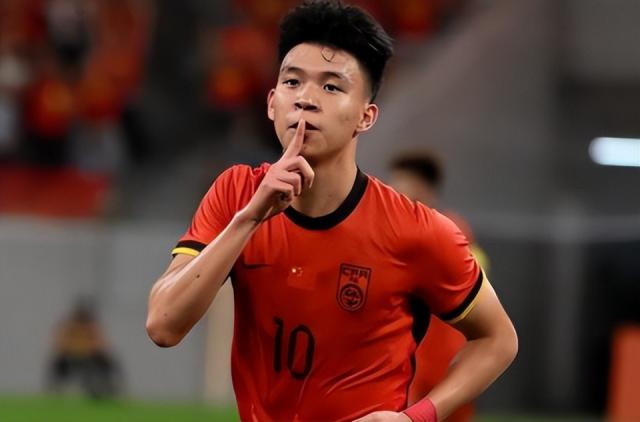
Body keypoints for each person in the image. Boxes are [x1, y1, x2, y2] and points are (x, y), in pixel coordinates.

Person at [146, 2, 518, 421]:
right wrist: (249, 218)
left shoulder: (417, 230)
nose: (306, 99)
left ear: (365, 116)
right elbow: (163, 326)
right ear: (271, 103)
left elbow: (499, 339)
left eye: (331, 87)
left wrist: (416, 417)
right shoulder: (236, 194)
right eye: (292, 81)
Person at [389, 151, 491, 422]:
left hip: (449, 352)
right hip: (414, 354)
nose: (394, 188)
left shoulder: (448, 229)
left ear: (422, 186)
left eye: (401, 181)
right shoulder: (399, 227)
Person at [47, 300, 120, 399]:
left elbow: (101, 344)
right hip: (70, 357)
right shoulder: (70, 327)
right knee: (57, 364)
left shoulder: (91, 328)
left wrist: (89, 350)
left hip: (89, 358)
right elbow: (60, 342)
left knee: (105, 364)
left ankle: (105, 390)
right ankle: (54, 392)